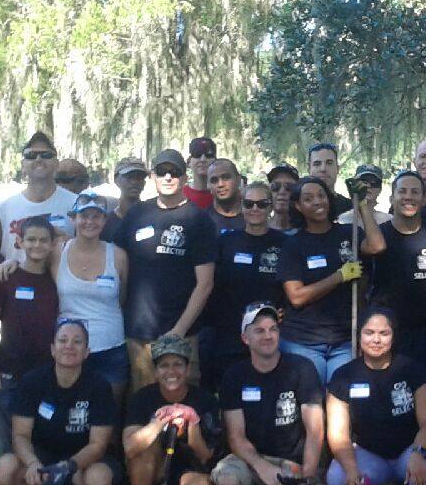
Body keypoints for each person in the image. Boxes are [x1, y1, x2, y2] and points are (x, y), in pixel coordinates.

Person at [212, 304, 332, 485]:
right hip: (253, 461)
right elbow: (236, 437)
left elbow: (315, 431)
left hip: (295, 466)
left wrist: (305, 482)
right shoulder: (234, 376)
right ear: (245, 338)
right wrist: (261, 466)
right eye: (259, 330)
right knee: (228, 480)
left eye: (273, 329)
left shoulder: (302, 368)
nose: (268, 336)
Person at [325, 309, 426, 485]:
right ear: (359, 335)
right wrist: (350, 468)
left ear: (394, 336)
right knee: (337, 477)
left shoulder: (412, 370)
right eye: (369, 332)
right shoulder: (344, 375)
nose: (376, 339)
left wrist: (418, 452)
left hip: (408, 451)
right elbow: (338, 433)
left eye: (384, 333)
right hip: (368, 454)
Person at [0, 319, 119, 485]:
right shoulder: (32, 381)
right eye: (63, 340)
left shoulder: (99, 386)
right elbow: (20, 435)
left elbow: (98, 444)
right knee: (3, 470)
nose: (69, 346)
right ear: (52, 349)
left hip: (84, 461)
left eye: (77, 341)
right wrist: (32, 463)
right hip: (42, 457)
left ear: (87, 352)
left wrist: (70, 465)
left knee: (98, 483)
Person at [113, 148, 217, 389]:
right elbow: (119, 262)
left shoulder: (199, 219)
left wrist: (179, 330)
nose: (168, 177)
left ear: (185, 177)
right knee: (144, 400)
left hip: (184, 333)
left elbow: (205, 284)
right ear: (153, 176)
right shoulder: (137, 213)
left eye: (175, 172)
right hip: (140, 332)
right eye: (162, 172)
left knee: (183, 402)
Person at [278, 175, 385, 381]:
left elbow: (377, 246)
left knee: (340, 395)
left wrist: (362, 204)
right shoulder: (293, 244)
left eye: (322, 195)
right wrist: (339, 276)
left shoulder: (349, 233)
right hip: (303, 341)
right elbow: (297, 297)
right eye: (308, 198)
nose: (317, 201)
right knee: (312, 397)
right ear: (298, 206)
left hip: (343, 339)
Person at [122, 335, 220, 485]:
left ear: (187, 369)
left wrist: (192, 424)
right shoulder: (141, 398)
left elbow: (206, 456)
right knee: (142, 449)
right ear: (156, 371)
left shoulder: (205, 400)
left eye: (178, 364)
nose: (171, 371)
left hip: (191, 470)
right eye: (164, 366)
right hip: (153, 470)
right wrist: (158, 423)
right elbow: (130, 448)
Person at [0, 216, 60, 459]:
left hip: (45, 370)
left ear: (52, 244)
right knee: (5, 438)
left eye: (43, 240)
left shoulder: (57, 279)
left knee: (38, 434)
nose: (37, 245)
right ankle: (2, 480)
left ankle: (34, 478)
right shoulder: (7, 278)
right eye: (31, 239)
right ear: (20, 242)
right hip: (9, 368)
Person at [205, 181, 287, 390]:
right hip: (229, 333)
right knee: (229, 390)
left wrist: (285, 309)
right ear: (241, 206)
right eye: (249, 204)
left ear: (270, 207)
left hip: (268, 333)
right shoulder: (226, 241)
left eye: (262, 204)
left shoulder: (285, 243)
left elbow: (293, 283)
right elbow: (211, 284)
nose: (255, 209)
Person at [367, 171, 426, 368]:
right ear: (391, 198)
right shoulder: (377, 236)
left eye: (415, 192)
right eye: (402, 191)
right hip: (386, 332)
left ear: (424, 200)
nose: (408, 197)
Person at [57, 192, 130, 401]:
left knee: (108, 411)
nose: (90, 222)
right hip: (69, 349)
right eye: (84, 216)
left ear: (104, 220)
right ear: (73, 219)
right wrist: (10, 263)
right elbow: (32, 265)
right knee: (68, 410)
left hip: (110, 348)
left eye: (96, 216)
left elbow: (123, 299)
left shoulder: (118, 256)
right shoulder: (57, 252)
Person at [0, 132, 80, 261]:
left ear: (57, 164)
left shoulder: (76, 205)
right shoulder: (3, 210)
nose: (38, 159)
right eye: (31, 156)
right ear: (23, 165)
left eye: (46, 155)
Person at [306, 142, 352, 217]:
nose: (323, 169)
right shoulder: (298, 207)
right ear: (309, 169)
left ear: (337, 168)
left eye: (329, 163)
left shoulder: (351, 208)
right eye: (317, 164)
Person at [206, 157, 245, 234]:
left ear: (238, 180)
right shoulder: (202, 220)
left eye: (226, 178)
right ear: (208, 185)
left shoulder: (253, 216)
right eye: (214, 180)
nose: (220, 184)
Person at [112, 157, 149, 222]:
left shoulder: (153, 217)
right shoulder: (105, 222)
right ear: (116, 180)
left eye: (139, 177)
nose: (134, 182)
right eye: (129, 176)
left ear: (144, 183)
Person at [266, 163, 302, 232]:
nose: (282, 191)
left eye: (289, 186)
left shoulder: (306, 230)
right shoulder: (258, 228)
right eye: (276, 186)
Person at [184, 136, 217, 209]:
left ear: (215, 161)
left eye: (208, 155)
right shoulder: (180, 195)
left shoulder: (222, 194)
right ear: (189, 162)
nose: (203, 159)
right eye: (197, 155)